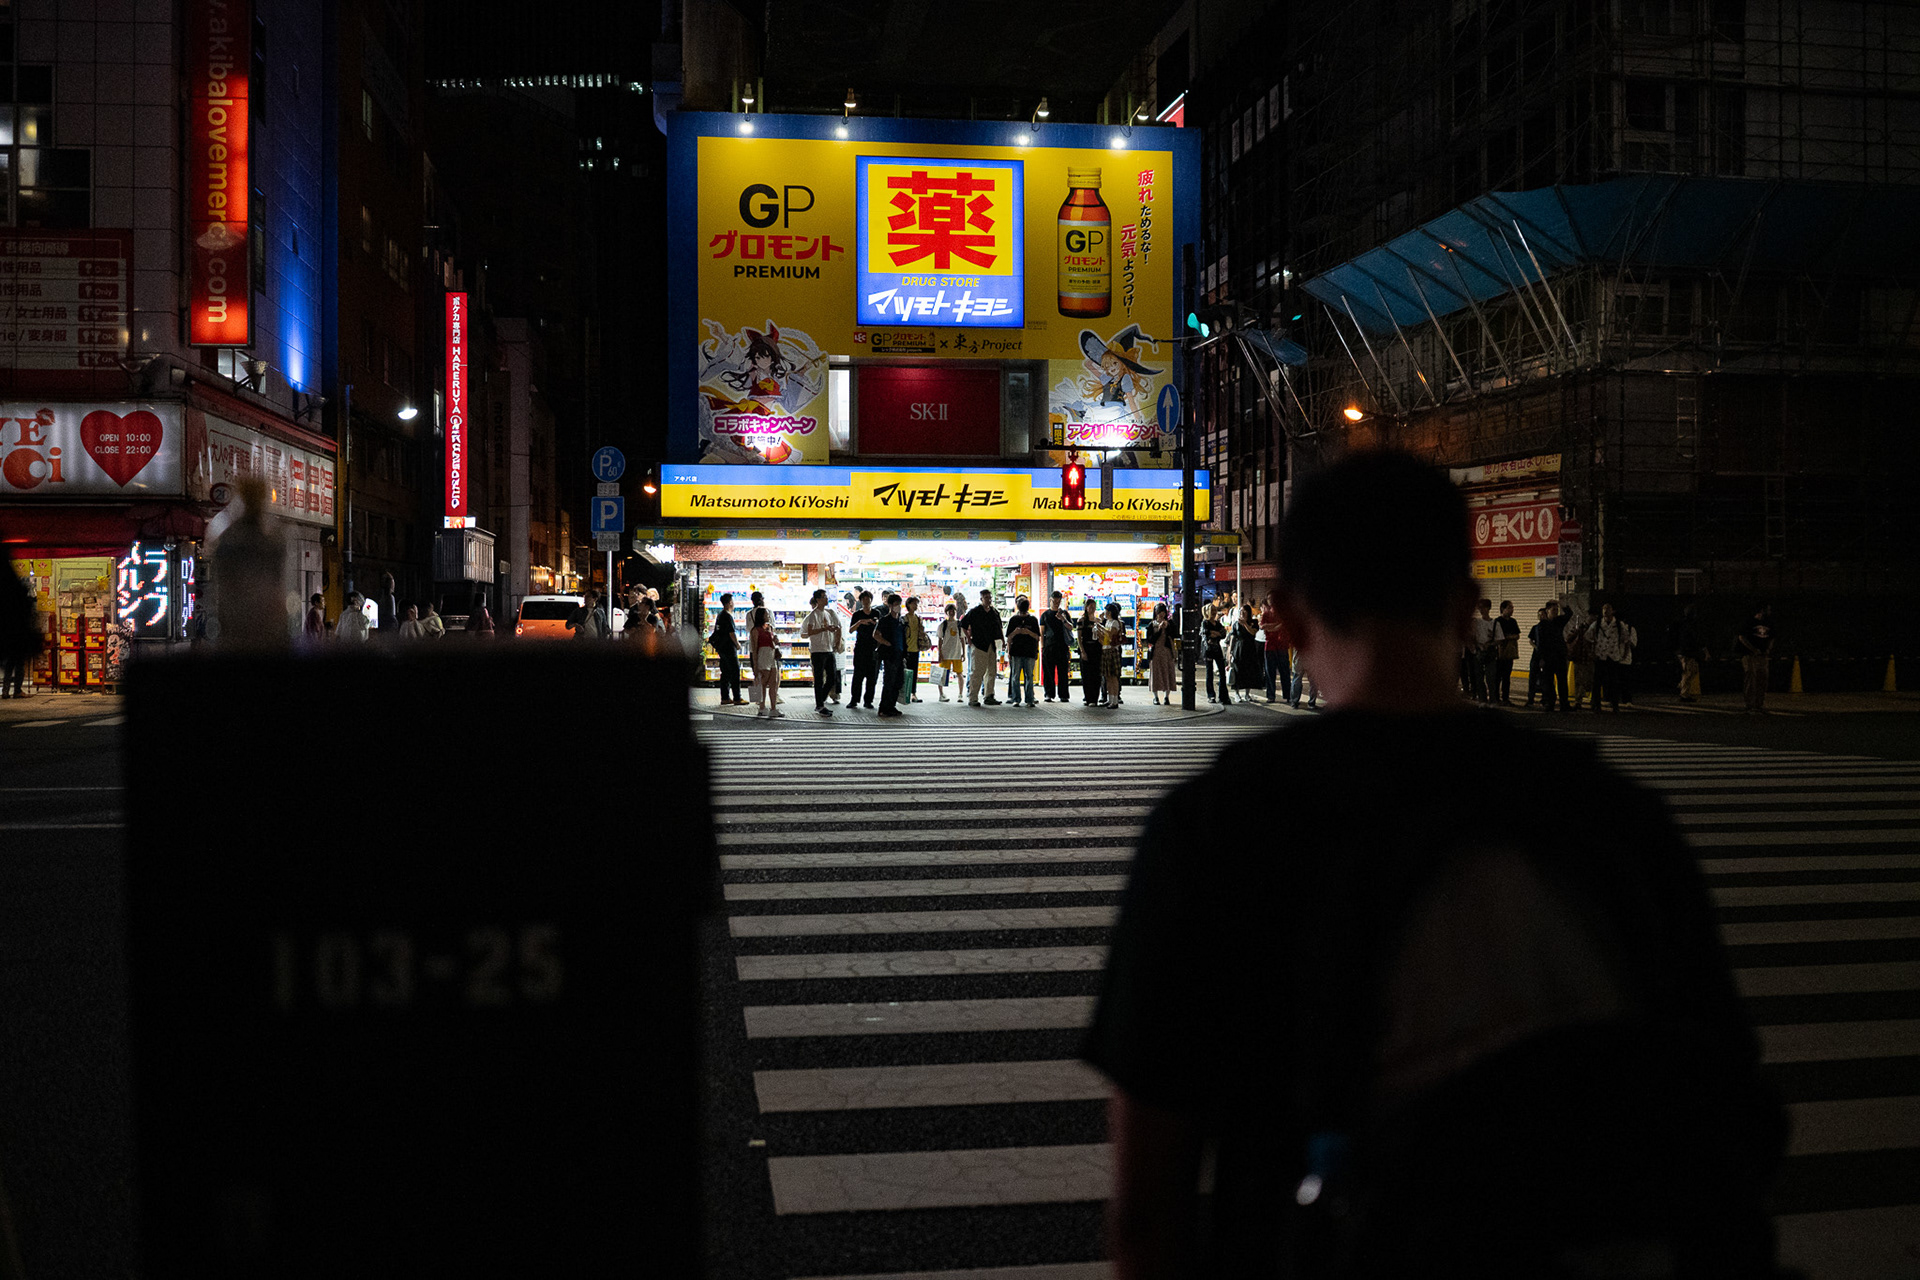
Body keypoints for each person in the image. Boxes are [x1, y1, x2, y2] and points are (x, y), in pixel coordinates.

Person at [1086, 450, 1784, 1280]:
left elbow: (1147, 1207)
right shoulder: (1612, 817)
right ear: (1465, 607)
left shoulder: (1223, 824)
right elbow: (1727, 1104)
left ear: (1288, 619)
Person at [0, 544, 40, 698]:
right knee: (19, 666)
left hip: (9, 638)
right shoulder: (20, 602)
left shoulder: (8, 602)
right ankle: (17, 690)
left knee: (9, 666)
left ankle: (5, 691)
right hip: (18, 639)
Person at [1584, 602, 1636, 712]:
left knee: (1614, 681)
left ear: (1612, 611)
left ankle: (1614, 704)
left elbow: (1626, 640)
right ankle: (1596, 704)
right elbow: (1587, 637)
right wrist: (1590, 653)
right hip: (1600, 655)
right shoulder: (1597, 624)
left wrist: (1625, 654)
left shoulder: (1619, 625)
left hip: (1613, 656)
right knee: (1597, 681)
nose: (1605, 612)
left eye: (1608, 610)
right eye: (1604, 610)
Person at [801, 588, 841, 716]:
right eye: (824, 597)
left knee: (832, 677)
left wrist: (832, 630)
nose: (826, 599)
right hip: (818, 650)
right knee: (819, 679)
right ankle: (820, 704)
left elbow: (830, 628)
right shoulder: (813, 615)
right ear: (818, 600)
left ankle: (821, 700)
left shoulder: (827, 613)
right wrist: (824, 629)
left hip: (828, 649)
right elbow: (810, 632)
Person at [962, 588, 1005, 706]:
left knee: (991, 671)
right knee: (977, 672)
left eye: (990, 597)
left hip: (992, 645)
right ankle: (973, 698)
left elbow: (999, 627)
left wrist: (1002, 641)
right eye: (986, 598)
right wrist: (969, 639)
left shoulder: (994, 612)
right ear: (981, 599)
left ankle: (989, 695)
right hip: (979, 645)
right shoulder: (975, 612)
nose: (988, 600)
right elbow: (963, 625)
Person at [1736, 603, 1774, 714]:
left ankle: (1759, 704)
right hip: (1749, 654)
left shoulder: (1768, 623)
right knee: (1751, 677)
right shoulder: (1749, 622)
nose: (1770, 612)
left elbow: (1772, 637)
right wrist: (1753, 649)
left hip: (1762, 655)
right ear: (1762, 610)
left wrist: (1768, 649)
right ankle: (1749, 704)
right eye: (1768, 610)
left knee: (1762, 678)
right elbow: (1741, 637)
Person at [875, 593, 907, 717]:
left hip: (899, 654)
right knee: (889, 681)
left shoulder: (900, 620)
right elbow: (875, 634)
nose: (898, 606)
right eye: (895, 604)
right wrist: (886, 643)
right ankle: (883, 707)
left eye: (899, 604)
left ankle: (891, 706)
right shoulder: (885, 620)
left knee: (898, 681)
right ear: (890, 605)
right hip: (889, 655)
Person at [1006, 595, 1042, 707]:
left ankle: (1029, 699)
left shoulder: (1033, 620)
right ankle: (1016, 698)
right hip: (1016, 652)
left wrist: (1028, 632)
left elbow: (1037, 637)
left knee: (1029, 676)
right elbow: (1009, 637)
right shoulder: (1013, 620)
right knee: (1016, 676)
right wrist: (1015, 633)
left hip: (1029, 652)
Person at [748, 606, 784, 718]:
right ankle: (762, 707)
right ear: (761, 616)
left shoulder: (769, 627)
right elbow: (754, 648)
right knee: (763, 683)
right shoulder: (755, 630)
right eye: (766, 614)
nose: (768, 616)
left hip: (771, 656)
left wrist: (775, 641)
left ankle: (773, 708)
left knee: (774, 682)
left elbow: (773, 642)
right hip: (762, 656)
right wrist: (755, 665)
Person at [847, 590, 879, 709]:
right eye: (864, 599)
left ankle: (868, 701)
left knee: (872, 677)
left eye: (868, 599)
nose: (866, 602)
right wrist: (860, 622)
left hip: (873, 648)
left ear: (871, 600)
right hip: (860, 648)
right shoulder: (857, 615)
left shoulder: (876, 613)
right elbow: (851, 630)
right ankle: (854, 699)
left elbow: (880, 629)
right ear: (860, 601)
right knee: (858, 675)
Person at [710, 592, 743, 705]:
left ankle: (725, 698)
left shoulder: (720, 615)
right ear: (729, 603)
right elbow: (731, 633)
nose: (734, 604)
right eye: (732, 601)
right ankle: (737, 698)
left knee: (725, 673)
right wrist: (737, 644)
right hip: (729, 648)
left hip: (722, 648)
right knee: (735, 672)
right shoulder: (727, 616)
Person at [1041, 591, 1074, 702]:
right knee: (1048, 672)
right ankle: (1049, 694)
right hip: (1049, 646)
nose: (1056, 603)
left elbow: (1071, 627)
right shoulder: (1045, 615)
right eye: (1054, 601)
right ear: (1050, 600)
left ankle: (1063, 695)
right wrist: (1042, 646)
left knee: (1063, 672)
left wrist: (1063, 619)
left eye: (1058, 601)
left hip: (1062, 646)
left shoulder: (1064, 614)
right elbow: (1042, 632)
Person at [1258, 594, 1292, 704]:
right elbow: (1262, 626)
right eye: (1269, 598)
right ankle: (1272, 695)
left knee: (1284, 672)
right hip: (1271, 645)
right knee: (1270, 672)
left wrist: (1270, 627)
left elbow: (1284, 626)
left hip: (1281, 645)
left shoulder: (1283, 613)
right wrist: (1277, 626)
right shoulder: (1266, 614)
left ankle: (1286, 695)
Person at [1671, 605, 1707, 703]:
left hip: (1682, 651)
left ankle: (1683, 687)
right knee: (1689, 672)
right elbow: (1694, 639)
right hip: (1687, 652)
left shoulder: (1682, 624)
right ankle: (1684, 693)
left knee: (1690, 671)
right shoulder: (1689, 626)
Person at [1467, 598, 1498, 702]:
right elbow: (1471, 636)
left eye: (1483, 607)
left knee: (1490, 678)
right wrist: (1476, 645)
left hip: (1490, 652)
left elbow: (1500, 639)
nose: (1481, 610)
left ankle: (1492, 699)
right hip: (1479, 651)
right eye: (1479, 608)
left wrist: (1489, 644)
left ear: (1488, 608)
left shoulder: (1495, 623)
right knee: (1479, 678)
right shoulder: (1476, 622)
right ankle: (1482, 699)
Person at [1146, 602, 1177, 705]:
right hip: (1155, 652)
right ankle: (1156, 697)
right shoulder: (1151, 625)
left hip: (1167, 652)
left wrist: (1167, 627)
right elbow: (1150, 640)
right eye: (1159, 612)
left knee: (1167, 673)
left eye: (1163, 612)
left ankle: (1166, 697)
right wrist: (1159, 630)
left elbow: (1175, 634)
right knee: (1155, 674)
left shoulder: (1170, 623)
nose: (1161, 614)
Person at [1230, 604, 1262, 703]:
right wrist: (1230, 652)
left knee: (1249, 671)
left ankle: (1247, 694)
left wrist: (1245, 624)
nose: (1242, 613)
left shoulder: (1253, 622)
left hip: (1250, 649)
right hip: (1239, 648)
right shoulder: (1236, 624)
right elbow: (1233, 638)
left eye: (1244, 611)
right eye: (1241, 611)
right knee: (1237, 671)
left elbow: (1253, 633)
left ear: (1248, 612)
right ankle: (1237, 694)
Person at [1491, 600, 1521, 705]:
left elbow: (1517, 635)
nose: (1512, 610)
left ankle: (1505, 698)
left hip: (1509, 652)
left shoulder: (1513, 621)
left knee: (1506, 677)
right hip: (1499, 652)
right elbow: (1496, 636)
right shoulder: (1497, 621)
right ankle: (1495, 697)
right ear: (1502, 609)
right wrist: (1509, 637)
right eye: (1509, 608)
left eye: (1512, 608)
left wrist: (1506, 637)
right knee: (1497, 676)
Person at [1100, 601, 1128, 707]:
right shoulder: (1107, 622)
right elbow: (1104, 638)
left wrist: (1100, 627)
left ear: (1110, 612)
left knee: (1113, 677)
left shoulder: (1115, 622)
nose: (1105, 613)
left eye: (1106, 611)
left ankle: (1115, 700)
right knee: (1108, 677)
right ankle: (1110, 699)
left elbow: (1110, 634)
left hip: (1113, 651)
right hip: (1106, 649)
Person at [935, 602, 965, 701]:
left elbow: (962, 639)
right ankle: (941, 694)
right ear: (946, 612)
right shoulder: (943, 625)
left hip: (957, 653)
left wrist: (964, 653)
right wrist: (940, 653)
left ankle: (960, 694)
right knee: (942, 674)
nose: (951, 613)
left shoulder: (959, 624)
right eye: (949, 611)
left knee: (960, 674)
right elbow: (940, 640)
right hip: (945, 653)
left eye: (953, 611)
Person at [901, 597, 928, 703]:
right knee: (905, 672)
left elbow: (921, 633)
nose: (915, 606)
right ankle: (904, 693)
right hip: (906, 649)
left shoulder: (918, 618)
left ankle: (913, 693)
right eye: (913, 604)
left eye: (916, 604)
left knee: (914, 672)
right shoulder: (904, 618)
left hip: (915, 649)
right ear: (908, 605)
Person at [1078, 599, 1104, 706]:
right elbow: (1079, 638)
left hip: (1097, 649)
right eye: (1090, 606)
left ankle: (1095, 699)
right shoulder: (1082, 620)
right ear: (1086, 607)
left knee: (1096, 674)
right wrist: (1082, 651)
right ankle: (1088, 698)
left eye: (1094, 606)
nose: (1092, 609)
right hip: (1086, 648)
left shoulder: (1098, 621)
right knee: (1086, 675)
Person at [1524, 607, 1550, 707]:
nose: (1541, 616)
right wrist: (1536, 647)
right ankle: (1530, 698)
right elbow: (1531, 640)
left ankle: (1545, 698)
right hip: (1536, 655)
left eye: (1542, 614)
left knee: (1545, 678)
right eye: (1539, 615)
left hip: (1545, 655)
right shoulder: (1535, 627)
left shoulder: (1549, 628)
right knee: (1532, 677)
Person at [1203, 604, 1229, 703]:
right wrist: (1214, 633)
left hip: (1217, 649)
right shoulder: (1205, 623)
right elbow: (1206, 633)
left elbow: (1223, 633)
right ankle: (1211, 695)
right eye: (1212, 610)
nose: (1214, 613)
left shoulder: (1217, 623)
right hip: (1208, 650)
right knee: (1209, 673)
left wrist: (1215, 633)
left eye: (1215, 610)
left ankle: (1223, 696)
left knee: (1222, 672)